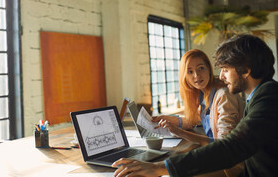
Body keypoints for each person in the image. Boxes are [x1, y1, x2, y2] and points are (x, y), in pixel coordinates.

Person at [112, 34, 278, 177]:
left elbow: (231, 146)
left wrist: (160, 168)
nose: (221, 76)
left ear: (246, 71)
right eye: (189, 71)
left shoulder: (268, 99)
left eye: (226, 70)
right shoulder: (261, 95)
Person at [152, 49, 245, 149]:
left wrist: (180, 132)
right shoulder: (202, 93)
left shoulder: (224, 95)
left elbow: (224, 144)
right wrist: (166, 119)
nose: (196, 75)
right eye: (190, 71)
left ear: (209, 69)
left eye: (201, 68)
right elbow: (191, 121)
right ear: (185, 76)